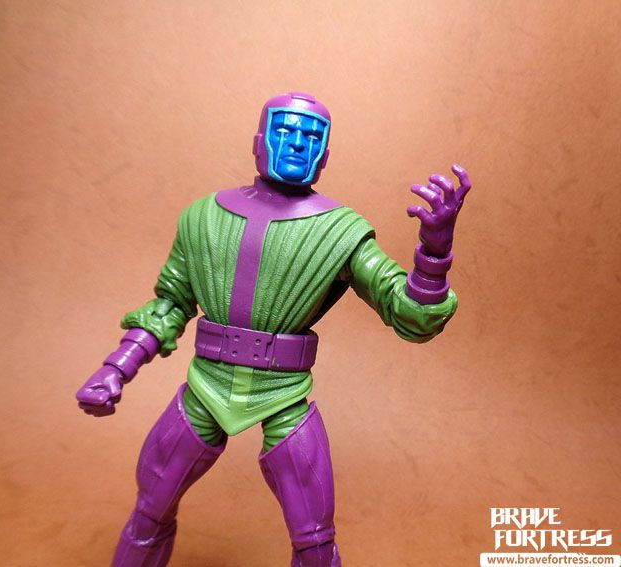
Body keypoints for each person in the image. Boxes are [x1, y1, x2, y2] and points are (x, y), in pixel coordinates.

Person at [76, 91, 472, 567]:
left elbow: (409, 314)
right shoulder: (203, 217)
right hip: (205, 387)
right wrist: (116, 369)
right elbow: (170, 305)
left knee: (315, 540)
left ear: (325, 153)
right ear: (259, 139)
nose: (298, 143)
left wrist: (433, 256)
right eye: (285, 130)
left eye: (312, 136)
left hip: (284, 396)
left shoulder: (342, 232)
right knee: (150, 511)